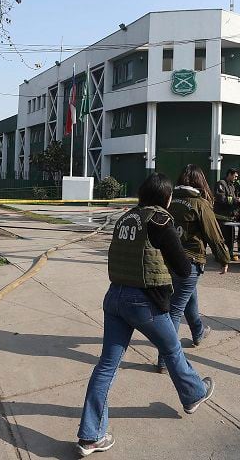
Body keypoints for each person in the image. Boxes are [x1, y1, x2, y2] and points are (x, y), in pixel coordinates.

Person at [76, 173, 215, 456]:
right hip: (143, 302)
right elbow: (183, 268)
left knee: (106, 366)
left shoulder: (126, 219)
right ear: (165, 198)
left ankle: (91, 436)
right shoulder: (160, 220)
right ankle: (194, 394)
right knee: (173, 349)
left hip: (114, 297)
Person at [155, 165, 231, 372]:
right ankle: (165, 359)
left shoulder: (169, 201)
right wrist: (224, 258)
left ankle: (198, 332)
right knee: (175, 309)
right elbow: (214, 235)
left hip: (168, 260)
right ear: (200, 182)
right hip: (190, 262)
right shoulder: (199, 204)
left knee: (189, 298)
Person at [214, 168, 240, 258]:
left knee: (231, 238)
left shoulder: (232, 186)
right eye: (235, 176)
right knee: (222, 238)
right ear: (229, 174)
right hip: (221, 217)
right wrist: (234, 200)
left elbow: (231, 200)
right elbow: (221, 199)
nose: (236, 178)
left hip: (230, 217)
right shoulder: (221, 184)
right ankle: (220, 256)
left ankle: (228, 254)